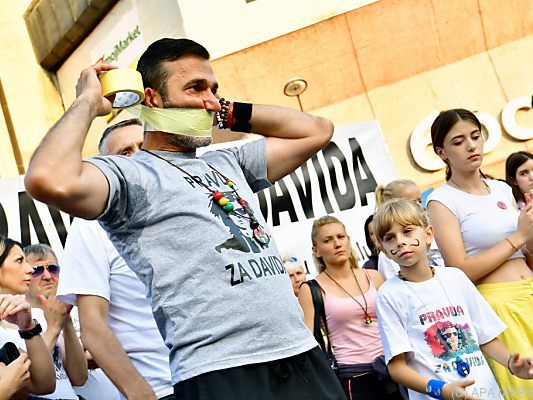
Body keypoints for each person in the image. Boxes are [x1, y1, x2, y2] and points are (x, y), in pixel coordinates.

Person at [24, 38, 345, 399]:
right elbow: (46, 178)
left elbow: (317, 129)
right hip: (222, 370)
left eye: (213, 89)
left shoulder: (228, 162)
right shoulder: (129, 176)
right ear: (153, 99)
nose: (209, 100)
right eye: (194, 88)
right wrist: (88, 102)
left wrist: (221, 109)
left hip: (300, 355)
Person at [56, 118, 175, 400]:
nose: (138, 156)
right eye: (125, 152)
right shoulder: (91, 225)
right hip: (163, 390)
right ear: (106, 168)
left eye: (144, 147)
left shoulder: (184, 210)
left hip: (221, 377)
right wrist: (141, 394)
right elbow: (93, 326)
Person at [374, 198, 533, 400]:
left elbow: (485, 337)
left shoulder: (455, 277)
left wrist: (512, 365)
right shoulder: (389, 295)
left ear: (428, 234)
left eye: (407, 231)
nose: (400, 241)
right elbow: (397, 368)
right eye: (389, 238)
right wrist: (441, 390)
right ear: (384, 250)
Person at [427, 109, 533, 398]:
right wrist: (518, 237)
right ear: (442, 152)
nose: (472, 146)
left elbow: (525, 251)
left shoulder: (500, 189)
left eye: (475, 136)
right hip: (498, 306)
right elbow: (458, 270)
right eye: (458, 141)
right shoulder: (442, 201)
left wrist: (529, 236)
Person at [298, 215, 400, 399]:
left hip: (393, 369)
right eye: (327, 240)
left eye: (341, 237)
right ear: (316, 250)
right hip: (354, 376)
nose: (337, 244)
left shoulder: (374, 276)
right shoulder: (311, 289)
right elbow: (308, 343)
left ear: (349, 240)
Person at [23, 244, 87, 399]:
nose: (47, 276)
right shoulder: (15, 318)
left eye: (52, 269)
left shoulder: (57, 315)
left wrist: (67, 321)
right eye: (37, 270)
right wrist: (53, 327)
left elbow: (79, 378)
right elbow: (28, 376)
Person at [0, 237, 56, 398]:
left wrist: (28, 328)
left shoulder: (25, 314)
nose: (30, 269)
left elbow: (44, 384)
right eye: (19, 261)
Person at [375, 179, 443, 280]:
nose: (419, 206)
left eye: (419, 200)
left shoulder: (453, 276)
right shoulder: (387, 256)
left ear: (428, 234)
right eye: (411, 202)